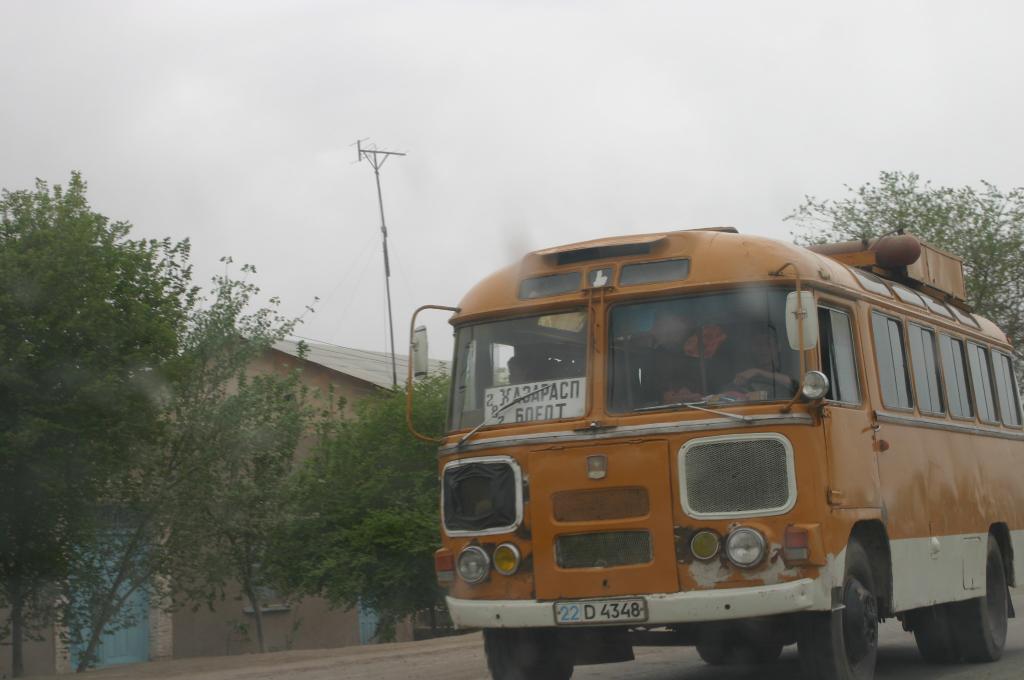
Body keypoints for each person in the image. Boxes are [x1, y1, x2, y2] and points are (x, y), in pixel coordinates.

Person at [722, 327, 796, 399]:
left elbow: (796, 386)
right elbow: (723, 399)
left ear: (778, 347)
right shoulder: (745, 377)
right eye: (758, 344)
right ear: (752, 349)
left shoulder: (793, 372)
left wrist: (758, 372)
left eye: (768, 344)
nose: (763, 348)